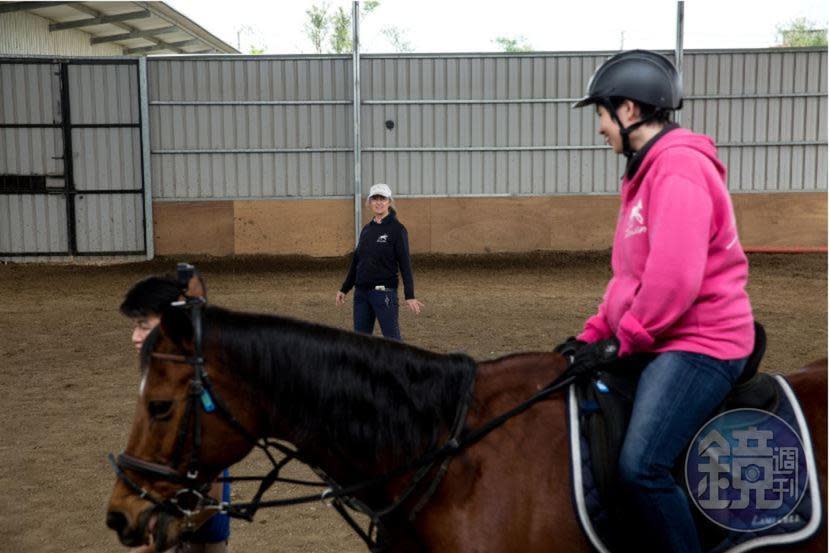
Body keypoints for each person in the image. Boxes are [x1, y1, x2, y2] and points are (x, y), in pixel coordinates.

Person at [556, 50, 754, 553]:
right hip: (664, 335)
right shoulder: (643, 175)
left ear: (628, 110)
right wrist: (591, 337)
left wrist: (624, 342)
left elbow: (673, 281)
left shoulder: (679, 169)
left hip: (703, 342)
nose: (599, 129)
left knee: (641, 467)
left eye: (600, 115)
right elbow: (629, 280)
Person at [120, 275, 231, 553]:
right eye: (135, 325)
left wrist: (155, 544)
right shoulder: (160, 375)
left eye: (143, 326)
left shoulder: (197, 389)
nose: (135, 337)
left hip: (198, 534)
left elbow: (212, 497)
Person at [336, 183, 424, 340]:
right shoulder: (366, 230)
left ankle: (402, 365)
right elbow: (357, 261)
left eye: (382, 198)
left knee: (392, 341)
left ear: (389, 202)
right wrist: (344, 288)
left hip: (384, 294)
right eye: (374, 198)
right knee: (361, 341)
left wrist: (409, 295)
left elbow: (405, 264)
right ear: (369, 202)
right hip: (361, 294)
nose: (378, 202)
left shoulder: (397, 230)